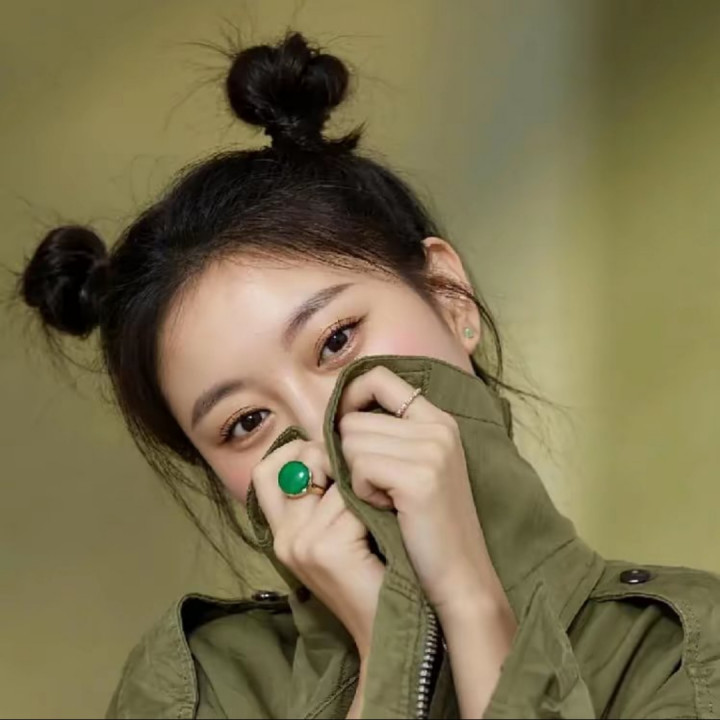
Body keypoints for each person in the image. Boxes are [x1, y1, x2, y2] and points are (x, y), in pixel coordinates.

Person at [18, 31, 720, 720]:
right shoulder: (201, 689)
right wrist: (389, 644)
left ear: (449, 296)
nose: (319, 434)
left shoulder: (686, 652)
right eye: (246, 423)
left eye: (336, 340)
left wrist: (472, 601)